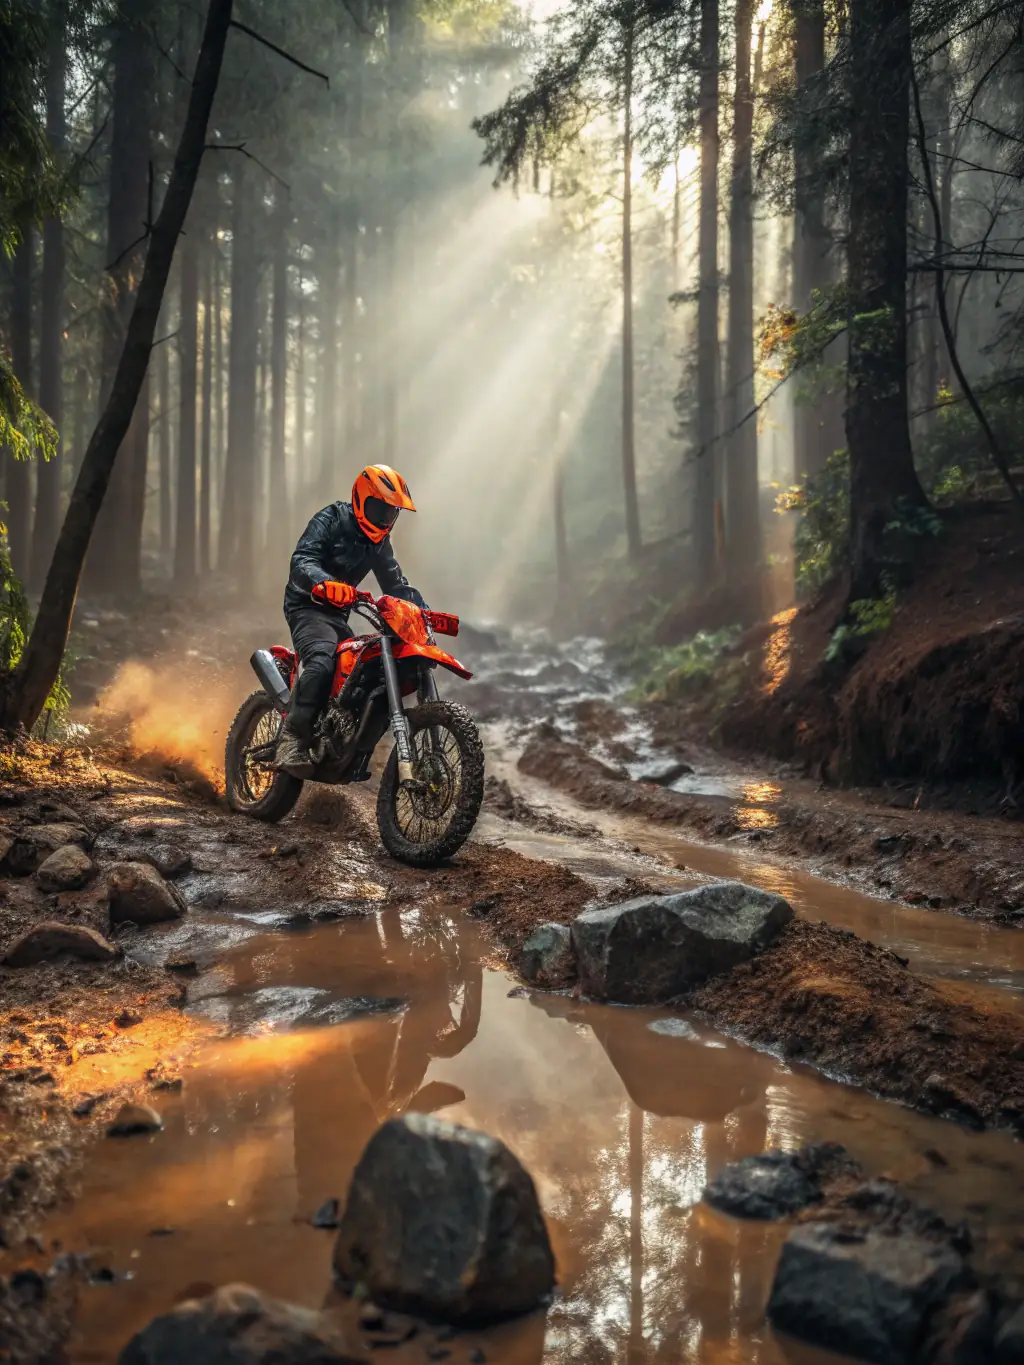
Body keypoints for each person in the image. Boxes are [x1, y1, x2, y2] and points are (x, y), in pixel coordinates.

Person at [275, 464, 426, 777]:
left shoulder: (379, 543)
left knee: (363, 671)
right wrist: (322, 581)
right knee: (322, 662)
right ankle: (291, 738)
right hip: (307, 605)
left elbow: (396, 585)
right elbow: (302, 560)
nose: (384, 519)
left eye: (390, 513)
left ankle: (344, 744)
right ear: (360, 499)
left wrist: (423, 612)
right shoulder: (330, 519)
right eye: (378, 509)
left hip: (340, 613)